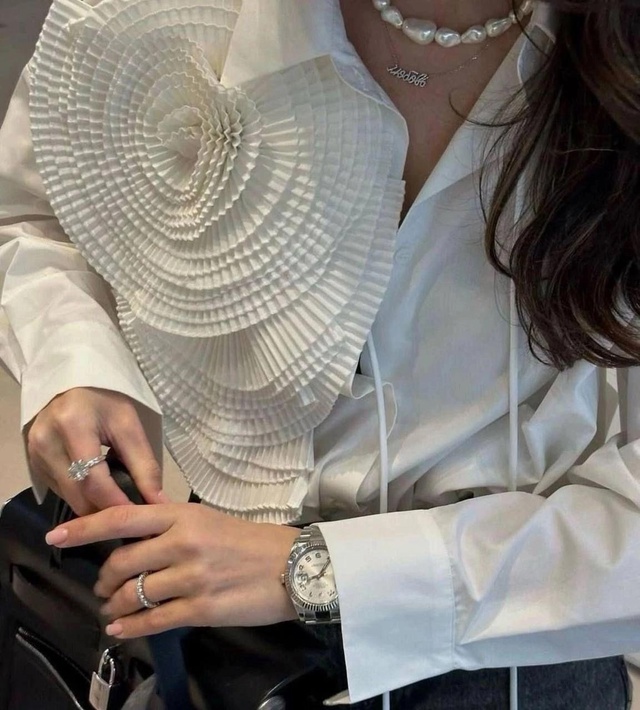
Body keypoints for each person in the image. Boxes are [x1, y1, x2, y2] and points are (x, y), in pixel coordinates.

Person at [0, 0, 638, 707]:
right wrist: (75, 359)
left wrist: (325, 573)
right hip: (216, 602)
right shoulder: (169, 15)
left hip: (523, 633)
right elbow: (44, 209)